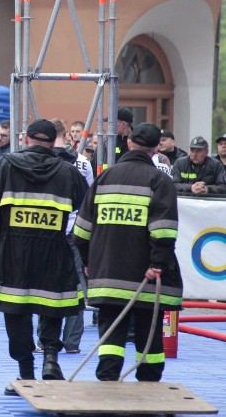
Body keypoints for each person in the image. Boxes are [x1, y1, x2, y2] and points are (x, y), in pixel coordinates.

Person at [0, 119, 88, 395]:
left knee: (16, 310)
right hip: (53, 250)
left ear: (26, 140)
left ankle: (26, 373)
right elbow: (83, 210)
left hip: (11, 251)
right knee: (52, 304)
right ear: (52, 143)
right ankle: (51, 359)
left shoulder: (5, 165)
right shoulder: (68, 172)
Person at [74, 122, 184, 383]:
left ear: (130, 143)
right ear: (156, 148)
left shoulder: (105, 177)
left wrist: (90, 262)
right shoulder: (159, 181)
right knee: (149, 336)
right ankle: (149, 386)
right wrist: (157, 264)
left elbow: (80, 232)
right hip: (146, 278)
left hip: (108, 275)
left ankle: (108, 381)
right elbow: (165, 231)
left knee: (110, 334)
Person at [34, 118, 94, 355]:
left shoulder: (40, 161)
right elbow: (90, 200)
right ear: (66, 136)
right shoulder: (83, 163)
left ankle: (44, 340)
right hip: (75, 230)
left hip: (47, 230)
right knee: (76, 287)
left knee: (44, 286)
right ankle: (72, 342)